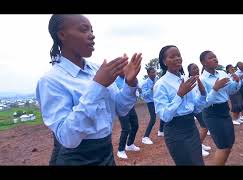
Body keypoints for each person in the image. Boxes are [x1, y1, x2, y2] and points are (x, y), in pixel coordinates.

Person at [36, 14, 142, 165]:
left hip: (106, 153)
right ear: (62, 35)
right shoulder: (51, 81)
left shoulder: (97, 70)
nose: (92, 36)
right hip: (77, 159)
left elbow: (121, 108)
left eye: (92, 31)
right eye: (84, 30)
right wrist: (97, 86)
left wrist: (130, 83)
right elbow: (67, 137)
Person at [153, 45, 207, 165]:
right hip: (175, 132)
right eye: (172, 56)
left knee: (198, 162)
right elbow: (164, 116)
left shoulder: (185, 80)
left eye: (178, 55)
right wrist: (180, 95)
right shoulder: (161, 84)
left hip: (191, 128)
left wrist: (203, 94)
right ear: (164, 62)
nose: (177, 58)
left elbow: (195, 108)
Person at [199, 50, 241, 165]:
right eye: (210, 58)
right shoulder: (202, 79)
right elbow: (204, 104)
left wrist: (236, 82)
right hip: (212, 113)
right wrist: (215, 88)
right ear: (203, 62)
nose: (215, 59)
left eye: (215, 57)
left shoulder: (222, 74)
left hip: (224, 110)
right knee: (222, 145)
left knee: (229, 143)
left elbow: (231, 91)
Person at [187, 63, 212, 157]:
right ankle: (197, 147)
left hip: (200, 107)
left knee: (204, 126)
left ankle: (199, 144)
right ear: (189, 71)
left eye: (197, 68)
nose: (196, 69)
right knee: (204, 126)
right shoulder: (189, 81)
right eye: (193, 68)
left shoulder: (199, 79)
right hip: (195, 108)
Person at [115, 72, 141, 159]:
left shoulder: (130, 78)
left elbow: (137, 89)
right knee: (126, 128)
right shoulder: (115, 81)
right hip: (121, 108)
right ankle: (120, 150)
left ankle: (129, 144)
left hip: (130, 107)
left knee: (135, 125)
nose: (125, 71)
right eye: (122, 69)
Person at [141, 67, 159, 145]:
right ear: (148, 74)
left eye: (154, 72)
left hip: (157, 100)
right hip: (150, 102)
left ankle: (161, 131)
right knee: (153, 118)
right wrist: (151, 89)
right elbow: (143, 95)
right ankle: (145, 137)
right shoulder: (145, 83)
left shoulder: (157, 79)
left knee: (163, 114)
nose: (154, 74)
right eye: (152, 72)